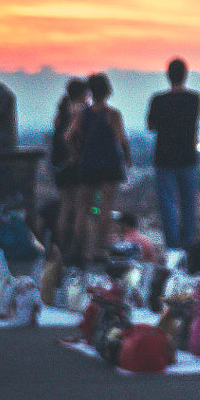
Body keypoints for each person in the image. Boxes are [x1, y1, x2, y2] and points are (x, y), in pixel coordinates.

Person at [67, 72, 131, 263]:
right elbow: (122, 139)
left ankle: (79, 250)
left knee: (83, 209)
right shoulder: (112, 115)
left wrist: (76, 154)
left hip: (88, 164)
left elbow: (68, 137)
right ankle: (97, 250)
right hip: (110, 165)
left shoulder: (82, 114)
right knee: (105, 208)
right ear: (107, 90)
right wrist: (127, 158)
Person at [147, 57, 200, 253]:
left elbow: (151, 125)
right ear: (185, 75)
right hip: (188, 157)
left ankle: (173, 247)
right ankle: (187, 244)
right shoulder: (194, 99)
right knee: (189, 205)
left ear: (168, 75)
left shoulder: (158, 100)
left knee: (168, 205)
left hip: (164, 158)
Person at [50, 77, 88, 258]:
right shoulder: (78, 111)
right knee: (79, 207)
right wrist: (75, 154)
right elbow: (68, 137)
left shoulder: (61, 112)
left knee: (65, 205)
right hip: (72, 165)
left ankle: (60, 248)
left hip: (59, 165)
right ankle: (76, 250)